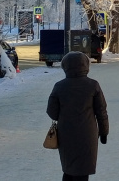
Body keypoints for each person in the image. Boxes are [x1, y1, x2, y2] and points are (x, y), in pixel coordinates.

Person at [47, 51, 109, 181]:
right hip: (87, 133)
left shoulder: (59, 86)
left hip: (65, 133)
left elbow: (52, 112)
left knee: (69, 169)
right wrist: (104, 132)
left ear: (65, 66)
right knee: (83, 170)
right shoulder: (93, 85)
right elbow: (101, 111)